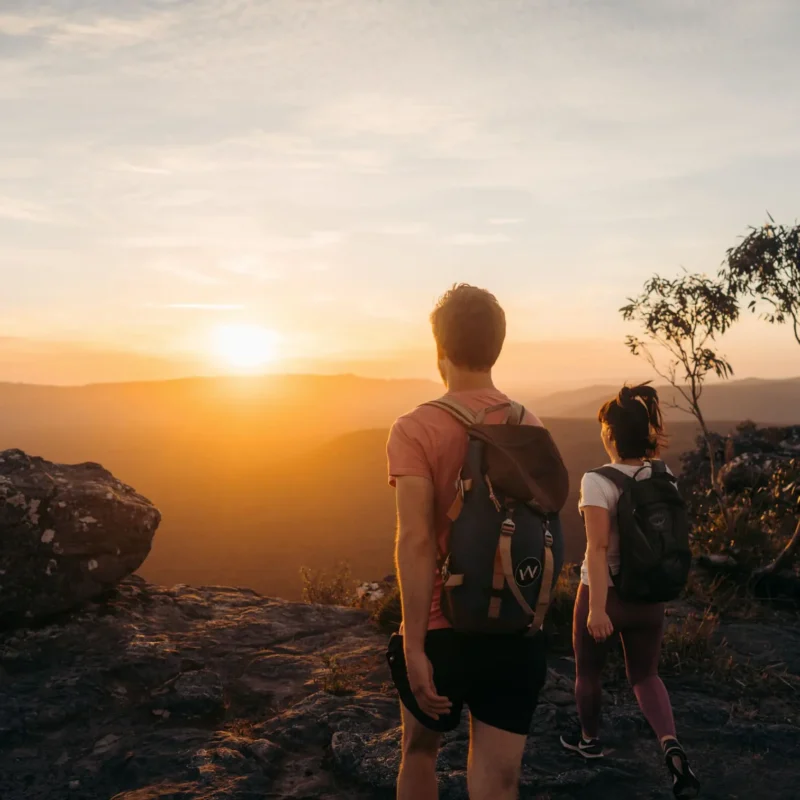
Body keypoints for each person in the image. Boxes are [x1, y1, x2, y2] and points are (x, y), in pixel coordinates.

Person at [385, 284, 550, 800]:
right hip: (515, 629)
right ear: (497, 347)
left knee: (419, 754)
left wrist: (413, 645)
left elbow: (415, 540)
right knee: (499, 781)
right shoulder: (531, 426)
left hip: (443, 628)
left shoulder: (415, 428)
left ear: (440, 349)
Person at [560, 384, 701, 800]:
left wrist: (598, 610)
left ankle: (589, 741)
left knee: (589, 672)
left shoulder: (597, 481)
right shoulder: (664, 474)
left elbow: (598, 548)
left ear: (610, 434)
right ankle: (670, 744)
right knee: (646, 675)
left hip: (608, 595)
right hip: (650, 595)